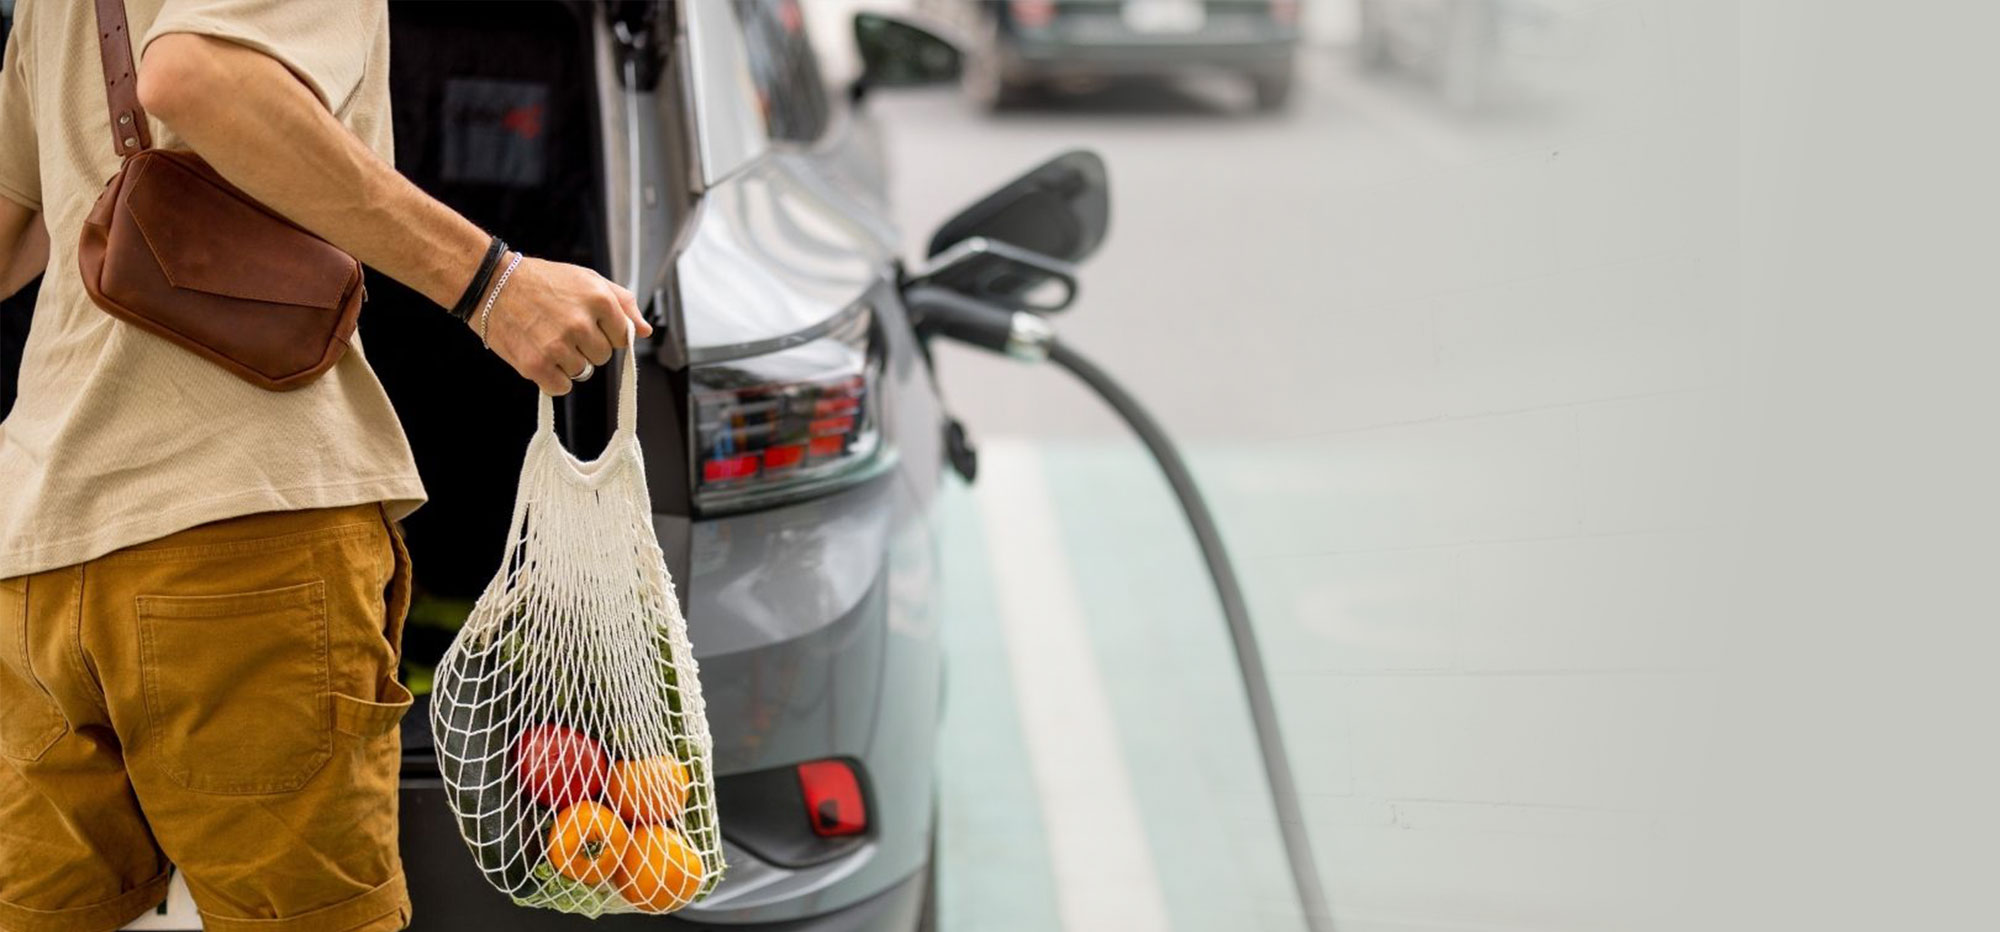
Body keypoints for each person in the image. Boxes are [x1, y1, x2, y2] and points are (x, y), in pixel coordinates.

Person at [0, 1, 650, 929]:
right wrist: (493, 285)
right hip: (241, 544)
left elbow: (8, 229)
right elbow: (196, 75)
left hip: (37, 559)